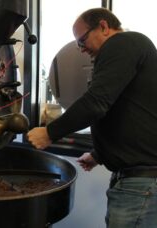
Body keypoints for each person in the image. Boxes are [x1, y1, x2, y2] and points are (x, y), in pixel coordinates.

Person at [26, 8, 157, 228]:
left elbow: (96, 102)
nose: (81, 48)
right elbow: (126, 113)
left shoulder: (124, 43)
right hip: (136, 181)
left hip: (141, 182)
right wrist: (99, 154)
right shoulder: (130, 51)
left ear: (104, 27)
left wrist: (49, 133)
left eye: (82, 39)